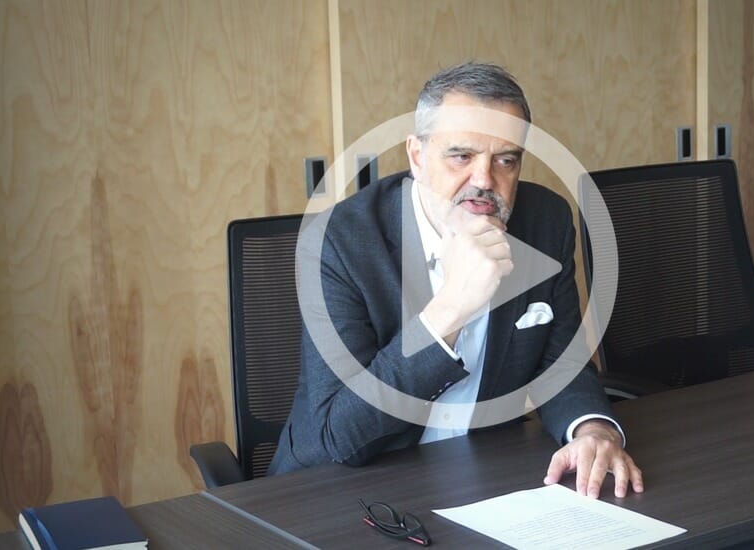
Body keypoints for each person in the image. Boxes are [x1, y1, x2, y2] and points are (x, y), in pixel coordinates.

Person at [269, 62, 643, 499]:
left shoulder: (545, 222)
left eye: (506, 160)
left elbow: (560, 364)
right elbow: (340, 434)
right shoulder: (339, 242)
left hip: (477, 479)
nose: (485, 181)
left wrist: (593, 430)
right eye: (461, 156)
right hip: (336, 491)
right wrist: (452, 308)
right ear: (417, 157)